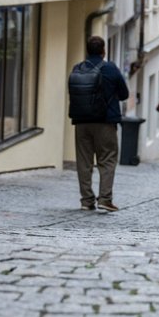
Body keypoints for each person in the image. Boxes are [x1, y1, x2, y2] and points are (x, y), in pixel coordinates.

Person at [67, 36, 129, 213]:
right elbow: (124, 94)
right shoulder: (110, 68)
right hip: (105, 123)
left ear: (87, 50)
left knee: (84, 162)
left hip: (81, 122)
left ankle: (86, 200)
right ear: (104, 50)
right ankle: (105, 199)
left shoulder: (78, 68)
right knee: (107, 159)